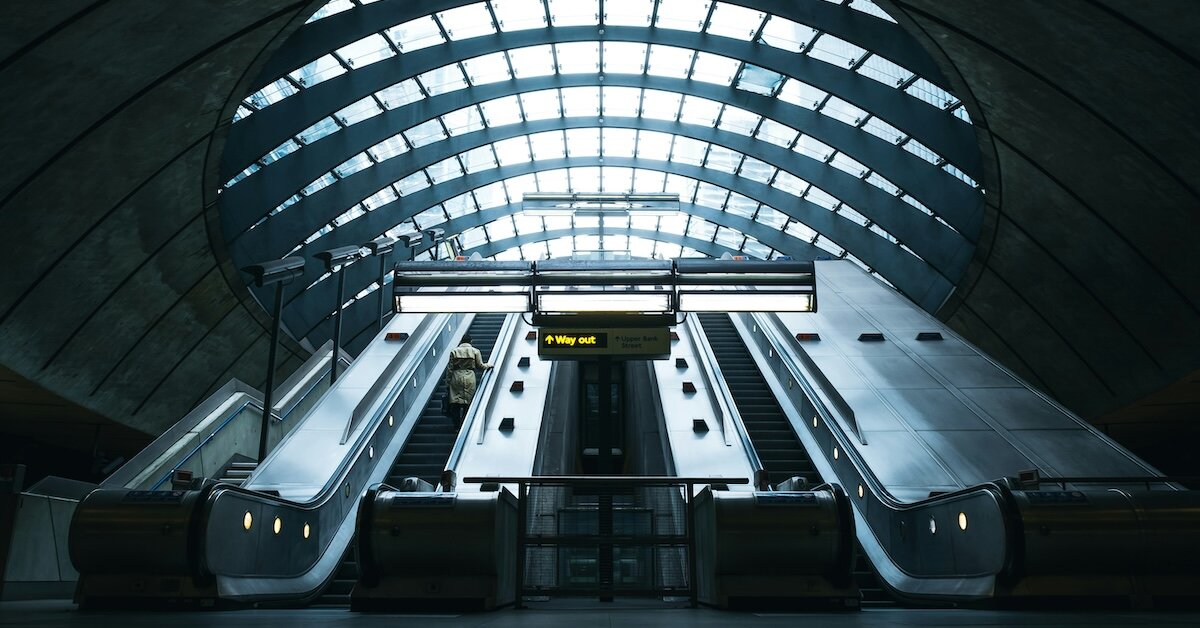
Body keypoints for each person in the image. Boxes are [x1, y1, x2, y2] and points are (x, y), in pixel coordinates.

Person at [445, 334, 492, 429]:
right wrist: (489, 365)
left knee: (455, 403)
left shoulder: (454, 351)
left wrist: (448, 383)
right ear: (471, 341)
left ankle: (456, 425)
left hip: (456, 377)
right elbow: (481, 366)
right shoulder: (475, 351)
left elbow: (450, 369)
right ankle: (465, 424)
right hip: (470, 377)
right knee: (468, 401)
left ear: (461, 341)